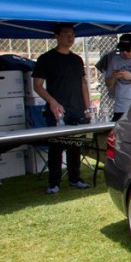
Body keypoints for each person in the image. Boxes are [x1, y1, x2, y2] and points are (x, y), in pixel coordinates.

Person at [32, 23, 93, 194]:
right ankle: (54, 183)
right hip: (57, 111)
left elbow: (83, 84)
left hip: (77, 109)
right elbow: (38, 86)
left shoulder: (77, 59)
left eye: (72, 34)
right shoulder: (46, 58)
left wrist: (88, 107)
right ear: (57, 36)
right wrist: (52, 102)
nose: (70, 37)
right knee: (56, 147)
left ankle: (75, 178)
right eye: (66, 34)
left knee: (75, 146)